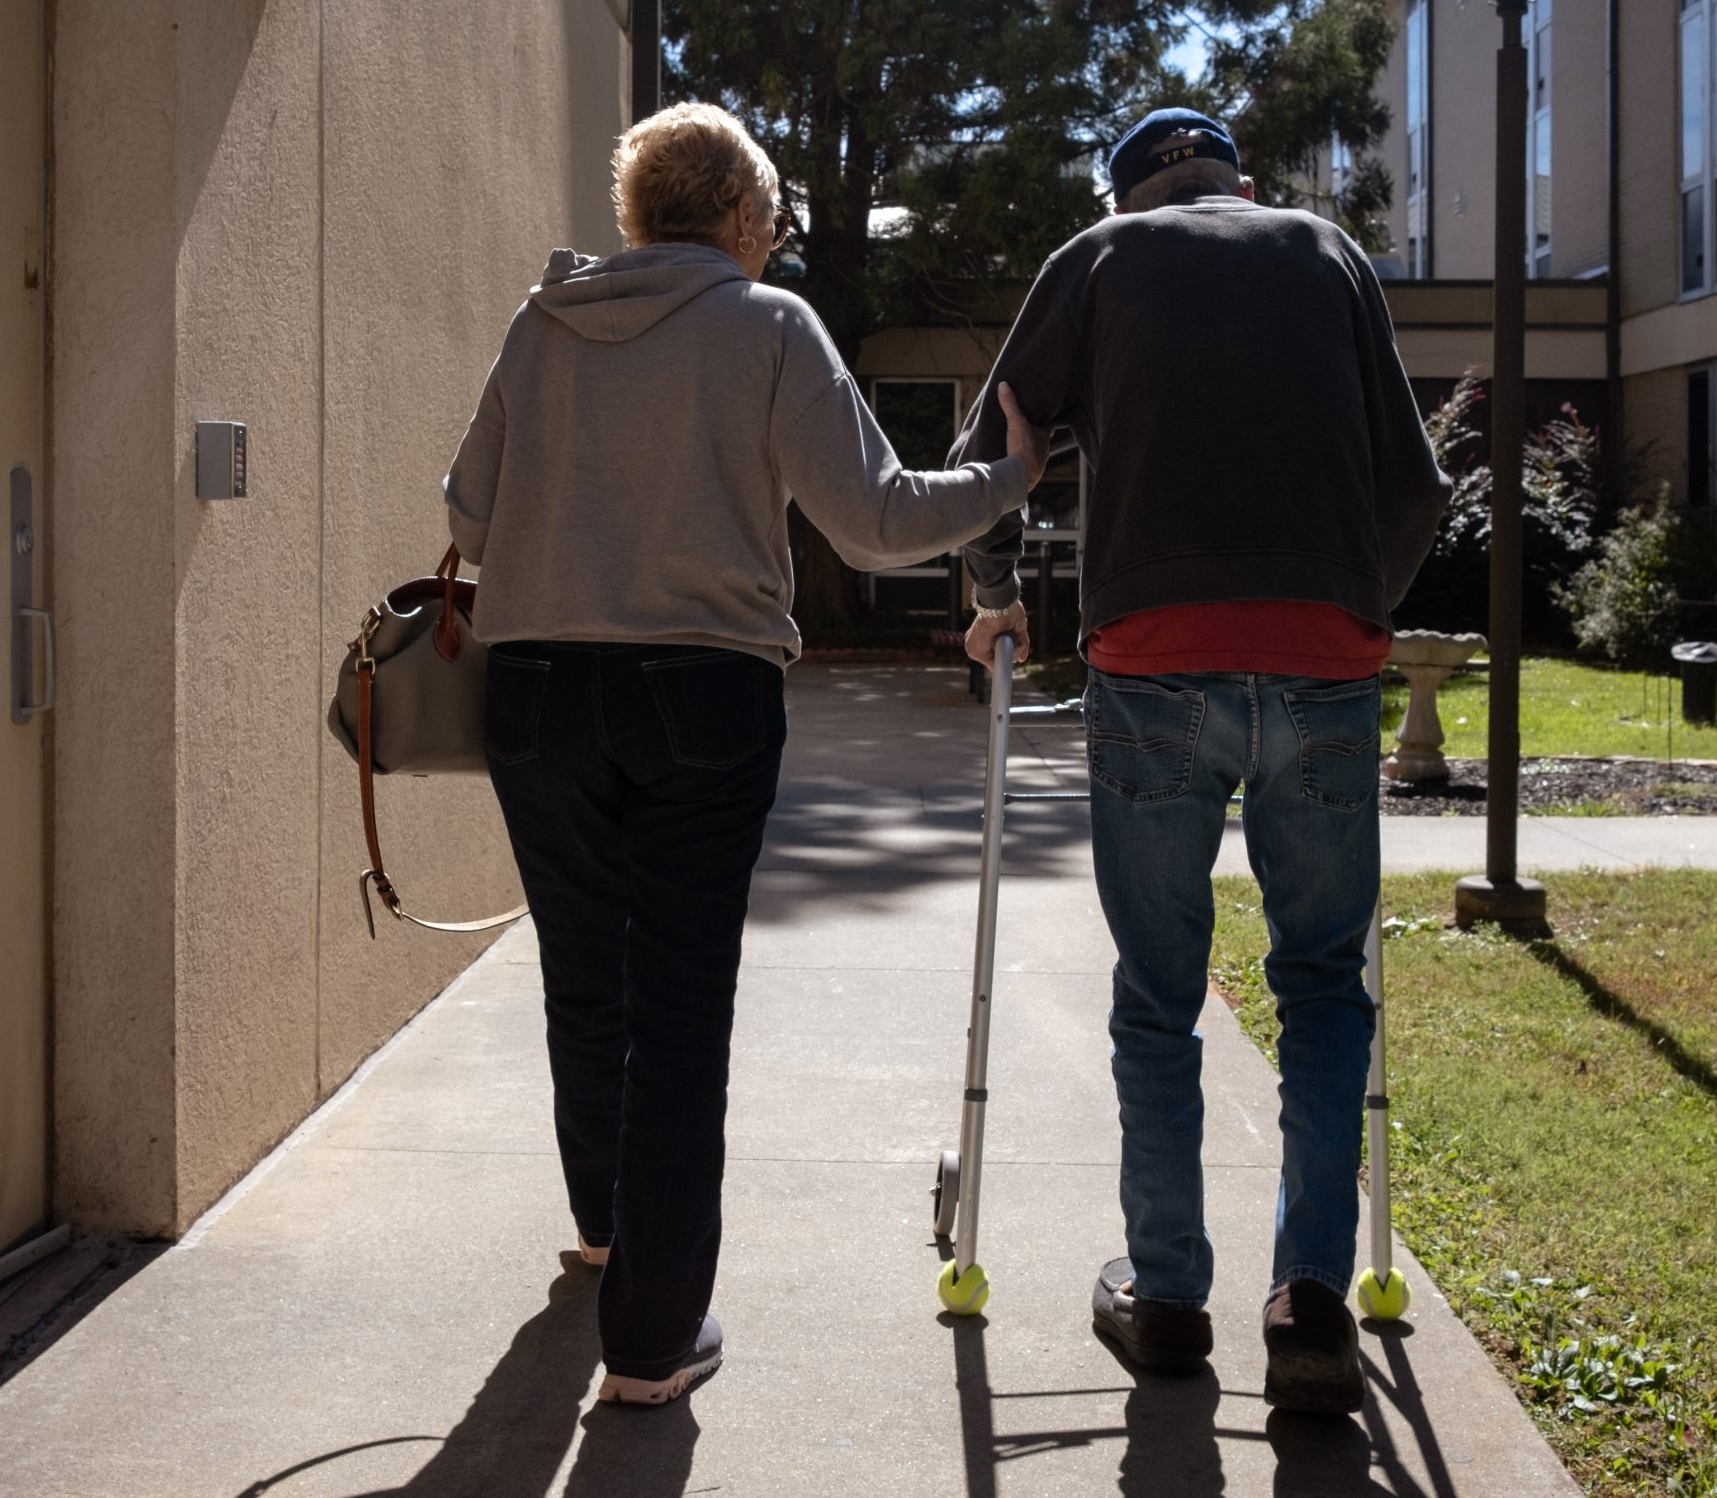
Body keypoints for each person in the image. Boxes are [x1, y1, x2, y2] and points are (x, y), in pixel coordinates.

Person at [445, 101, 1048, 1406]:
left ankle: (608, 1230)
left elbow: (469, 512)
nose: (773, 241)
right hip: (699, 690)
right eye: (770, 219)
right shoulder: (767, 325)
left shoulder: (538, 322)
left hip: (536, 688)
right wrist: (1009, 478)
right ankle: (652, 1339)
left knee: (581, 973)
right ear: (736, 216)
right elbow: (880, 522)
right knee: (676, 1003)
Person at [947, 106, 1449, 1413]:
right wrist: (1359, 611)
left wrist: (993, 593)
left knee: (1158, 990)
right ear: (1237, 182)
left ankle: (1168, 1298)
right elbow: (1414, 488)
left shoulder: (1100, 261)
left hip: (1154, 657)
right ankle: (1310, 1303)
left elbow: (994, 446)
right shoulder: (1328, 255)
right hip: (1326, 661)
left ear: (1126, 196)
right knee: (1324, 988)